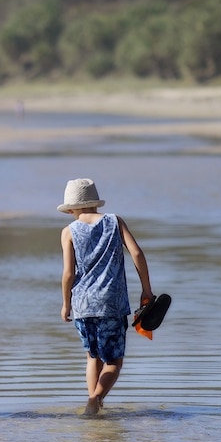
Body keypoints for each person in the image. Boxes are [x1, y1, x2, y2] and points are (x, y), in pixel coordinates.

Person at [58, 178, 152, 415]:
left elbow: (68, 273)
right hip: (112, 302)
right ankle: (97, 399)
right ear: (95, 203)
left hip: (83, 303)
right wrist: (146, 289)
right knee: (113, 362)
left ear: (71, 208)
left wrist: (66, 303)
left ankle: (94, 404)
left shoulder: (68, 232)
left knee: (93, 357)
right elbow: (137, 253)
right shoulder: (114, 221)